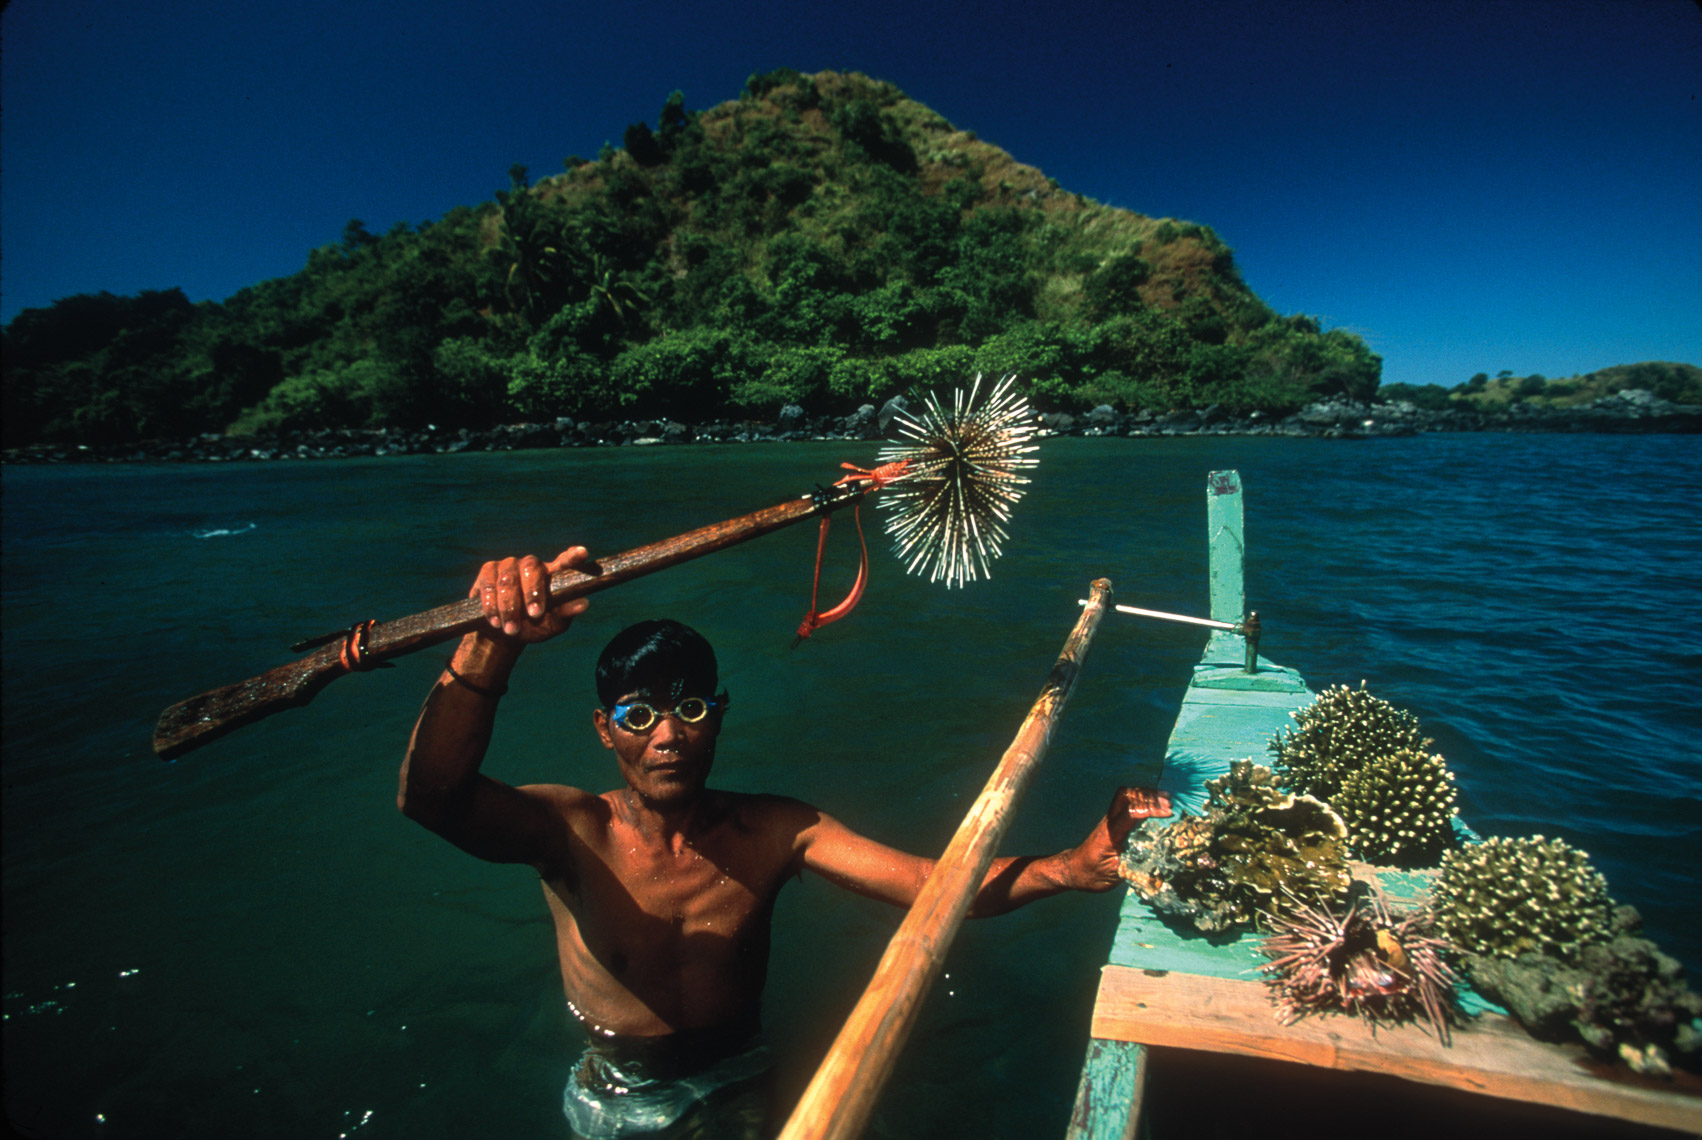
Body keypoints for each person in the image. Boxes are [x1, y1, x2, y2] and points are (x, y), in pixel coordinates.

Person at [399, 547, 1172, 1139]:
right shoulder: (571, 830)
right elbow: (432, 799)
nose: (668, 736)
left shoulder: (776, 830)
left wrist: (1071, 867)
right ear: (605, 732)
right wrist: (490, 644)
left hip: (738, 1074)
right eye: (639, 716)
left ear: (721, 715)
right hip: (620, 1088)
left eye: (691, 708)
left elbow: (937, 889)